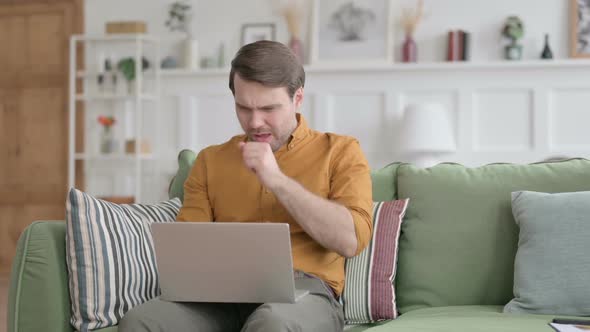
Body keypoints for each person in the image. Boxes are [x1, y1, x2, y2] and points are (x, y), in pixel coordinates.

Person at [119, 40, 373, 332]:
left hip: (304, 295)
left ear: (298, 98)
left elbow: (350, 240)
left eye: (268, 109)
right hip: (219, 297)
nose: (255, 122)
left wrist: (276, 179)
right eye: (243, 108)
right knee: (141, 321)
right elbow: (187, 250)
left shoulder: (340, 151)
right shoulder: (210, 161)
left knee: (272, 323)